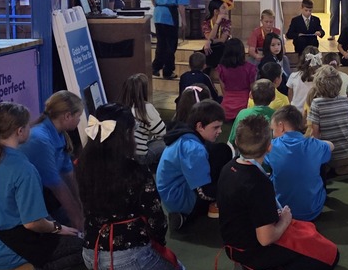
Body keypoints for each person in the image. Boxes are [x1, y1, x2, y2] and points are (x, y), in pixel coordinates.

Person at [75, 104, 185, 270]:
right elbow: (155, 217)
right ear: (125, 134)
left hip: (91, 253)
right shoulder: (135, 170)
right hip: (128, 255)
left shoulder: (80, 165)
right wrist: (158, 242)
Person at [217, 114, 339, 270]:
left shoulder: (228, 168)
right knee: (330, 254)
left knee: (305, 233)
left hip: (232, 247)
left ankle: (245, 266)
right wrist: (286, 220)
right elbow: (266, 238)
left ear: (237, 142)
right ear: (269, 146)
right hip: (255, 249)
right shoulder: (259, 183)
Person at [0, 103, 83, 270]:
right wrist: (58, 228)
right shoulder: (23, 169)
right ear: (20, 131)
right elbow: (32, 223)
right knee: (85, 248)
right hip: (13, 247)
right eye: (29, 125)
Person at [155, 99, 233, 229]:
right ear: (200, 126)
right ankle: (186, 216)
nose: (220, 131)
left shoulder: (185, 134)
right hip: (179, 198)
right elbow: (203, 192)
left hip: (170, 191)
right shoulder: (194, 149)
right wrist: (227, 194)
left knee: (220, 150)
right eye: (215, 127)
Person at [20, 90, 84, 230]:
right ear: (68, 116)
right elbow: (57, 186)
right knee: (70, 237)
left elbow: (68, 175)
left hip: (44, 197)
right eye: (78, 116)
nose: (79, 121)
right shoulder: (40, 139)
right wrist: (77, 219)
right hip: (27, 205)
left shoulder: (60, 135)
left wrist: (81, 206)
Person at [267, 105, 333, 222]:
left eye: (273, 129)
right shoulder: (314, 144)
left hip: (281, 210)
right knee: (321, 160)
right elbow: (331, 145)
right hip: (313, 211)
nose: (273, 133)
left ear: (281, 126)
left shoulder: (272, 146)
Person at [307, 65, 348, 176]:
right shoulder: (346, 101)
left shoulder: (317, 104)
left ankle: (330, 169)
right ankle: (343, 168)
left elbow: (315, 134)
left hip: (328, 157)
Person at [151, 0, 192, 80]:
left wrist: (158, 7)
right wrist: (184, 21)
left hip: (158, 13)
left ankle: (155, 67)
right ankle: (168, 70)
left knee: (161, 42)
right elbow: (181, 5)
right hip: (170, 13)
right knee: (171, 44)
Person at [117, 73, 166, 158]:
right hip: (139, 155)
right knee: (168, 143)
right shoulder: (146, 108)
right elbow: (163, 133)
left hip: (122, 153)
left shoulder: (119, 107)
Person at [230, 79, 277, 151]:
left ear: (250, 95)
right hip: (266, 155)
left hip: (244, 154)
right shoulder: (276, 116)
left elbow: (232, 140)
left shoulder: (242, 114)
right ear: (274, 97)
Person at [216, 39, 258, 122]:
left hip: (226, 108)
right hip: (245, 106)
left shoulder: (221, 68)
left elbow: (223, 89)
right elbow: (252, 90)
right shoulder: (250, 68)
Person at [200, 0, 232, 71]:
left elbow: (223, 40)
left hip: (223, 46)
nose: (226, 10)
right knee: (206, 49)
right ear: (216, 11)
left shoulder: (226, 22)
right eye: (223, 8)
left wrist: (211, 41)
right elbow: (209, 38)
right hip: (212, 46)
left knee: (220, 47)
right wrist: (217, 22)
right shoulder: (206, 23)